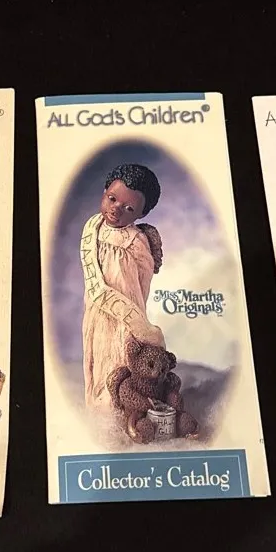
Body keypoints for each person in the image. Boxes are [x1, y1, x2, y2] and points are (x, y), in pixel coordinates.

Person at [80, 163, 167, 411]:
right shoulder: (92, 227)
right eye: (112, 199)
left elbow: (144, 277)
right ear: (105, 190)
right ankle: (97, 407)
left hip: (124, 316)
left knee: (119, 357)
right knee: (96, 355)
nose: (116, 209)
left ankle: (120, 409)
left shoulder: (136, 241)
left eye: (129, 208)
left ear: (141, 214)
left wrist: (135, 313)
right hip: (97, 311)